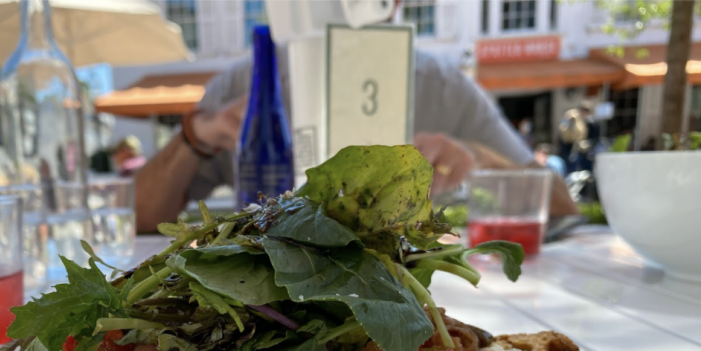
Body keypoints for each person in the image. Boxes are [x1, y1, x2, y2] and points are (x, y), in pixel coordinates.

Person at [135, 50, 579, 233]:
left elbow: (560, 206)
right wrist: (195, 137)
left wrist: (480, 159)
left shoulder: (441, 85)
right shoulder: (245, 82)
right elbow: (140, 218)